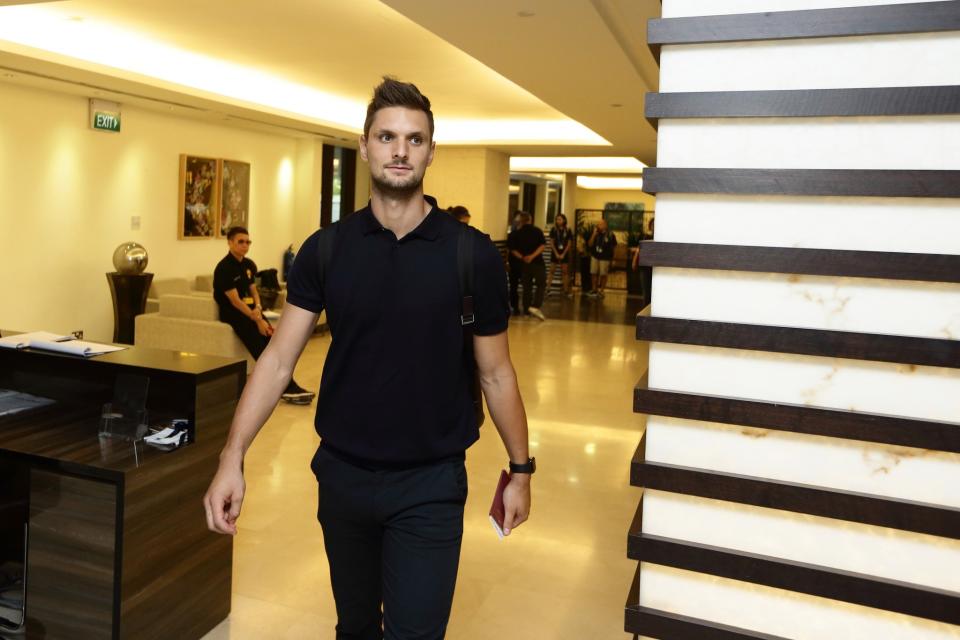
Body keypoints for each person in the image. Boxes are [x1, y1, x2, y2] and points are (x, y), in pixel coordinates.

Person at [203, 77, 534, 640]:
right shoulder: (327, 249)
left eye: (414, 139)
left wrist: (521, 469)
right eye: (387, 136)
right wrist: (232, 456)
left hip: (430, 482)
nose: (400, 150)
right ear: (364, 145)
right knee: (354, 627)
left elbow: (496, 372)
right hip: (344, 477)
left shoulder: (469, 254)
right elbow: (279, 361)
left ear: (431, 151)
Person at [212, 227, 314, 404]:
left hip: (252, 311)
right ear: (229, 242)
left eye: (248, 242)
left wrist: (258, 309)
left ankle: (286, 384)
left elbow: (254, 291)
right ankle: (286, 388)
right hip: (234, 314)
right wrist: (257, 318)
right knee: (262, 349)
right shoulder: (224, 268)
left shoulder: (249, 265)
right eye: (240, 242)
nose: (245, 245)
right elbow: (235, 301)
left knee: (274, 341)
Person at [509, 212, 547, 321]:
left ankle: (526, 311)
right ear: (530, 219)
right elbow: (542, 246)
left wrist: (523, 257)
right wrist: (532, 256)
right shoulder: (537, 231)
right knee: (541, 284)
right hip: (538, 263)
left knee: (527, 287)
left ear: (520, 220)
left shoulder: (515, 233)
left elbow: (512, 250)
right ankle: (535, 306)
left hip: (524, 264)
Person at [587, 218, 617, 297]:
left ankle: (601, 290)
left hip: (605, 257)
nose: (599, 226)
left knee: (603, 274)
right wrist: (593, 234)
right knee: (593, 273)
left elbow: (614, 248)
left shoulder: (610, 234)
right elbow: (589, 244)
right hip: (595, 256)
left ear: (605, 225)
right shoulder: (595, 233)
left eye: (601, 224)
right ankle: (594, 289)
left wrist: (613, 259)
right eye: (598, 224)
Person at [548, 213, 573, 298]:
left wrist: (563, 254)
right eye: (557, 219)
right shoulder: (553, 230)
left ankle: (565, 290)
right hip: (555, 253)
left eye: (559, 219)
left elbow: (569, 244)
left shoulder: (568, 230)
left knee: (565, 272)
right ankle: (548, 289)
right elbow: (551, 242)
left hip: (564, 253)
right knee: (551, 271)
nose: (558, 221)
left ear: (564, 220)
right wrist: (556, 253)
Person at [506, 210, 525, 314]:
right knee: (515, 286)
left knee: (515, 286)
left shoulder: (513, 234)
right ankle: (516, 306)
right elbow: (510, 249)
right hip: (518, 263)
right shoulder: (514, 234)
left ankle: (516, 307)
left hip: (517, 262)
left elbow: (510, 249)